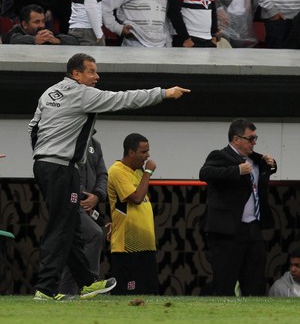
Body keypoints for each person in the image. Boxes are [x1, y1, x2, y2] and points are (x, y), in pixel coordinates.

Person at [28, 52, 190, 301]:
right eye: (91, 71)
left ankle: (86, 283)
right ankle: (45, 289)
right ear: (76, 74)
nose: (97, 76)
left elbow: (33, 128)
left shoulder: (49, 93)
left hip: (44, 165)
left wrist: (43, 155)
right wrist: (163, 93)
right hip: (62, 168)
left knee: (69, 226)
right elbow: (123, 99)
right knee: (60, 227)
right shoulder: (82, 94)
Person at [199, 118, 277, 296]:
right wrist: (236, 171)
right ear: (236, 139)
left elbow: (262, 179)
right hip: (228, 230)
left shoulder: (255, 159)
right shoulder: (220, 155)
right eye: (250, 139)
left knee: (255, 280)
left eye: (255, 138)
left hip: (253, 228)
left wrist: (272, 165)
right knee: (225, 281)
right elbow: (205, 173)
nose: (254, 142)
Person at [108, 133, 158, 295]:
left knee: (150, 294)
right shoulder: (117, 171)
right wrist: (148, 172)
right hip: (127, 249)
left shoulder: (137, 171)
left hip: (146, 245)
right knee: (128, 296)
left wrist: (144, 172)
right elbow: (136, 198)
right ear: (131, 153)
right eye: (143, 152)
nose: (148, 156)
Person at [59, 136, 107, 295]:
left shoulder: (95, 144)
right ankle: (91, 285)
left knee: (75, 248)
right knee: (95, 234)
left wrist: (97, 196)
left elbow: (102, 175)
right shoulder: (69, 138)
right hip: (71, 202)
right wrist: (82, 196)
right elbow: (66, 171)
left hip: (89, 203)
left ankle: (67, 292)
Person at [2, 4, 79, 44]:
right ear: (24, 24)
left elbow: (74, 41)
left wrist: (57, 40)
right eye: (36, 22)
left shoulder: (45, 32)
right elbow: (11, 40)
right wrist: (35, 40)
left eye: (43, 21)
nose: (41, 25)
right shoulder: (13, 33)